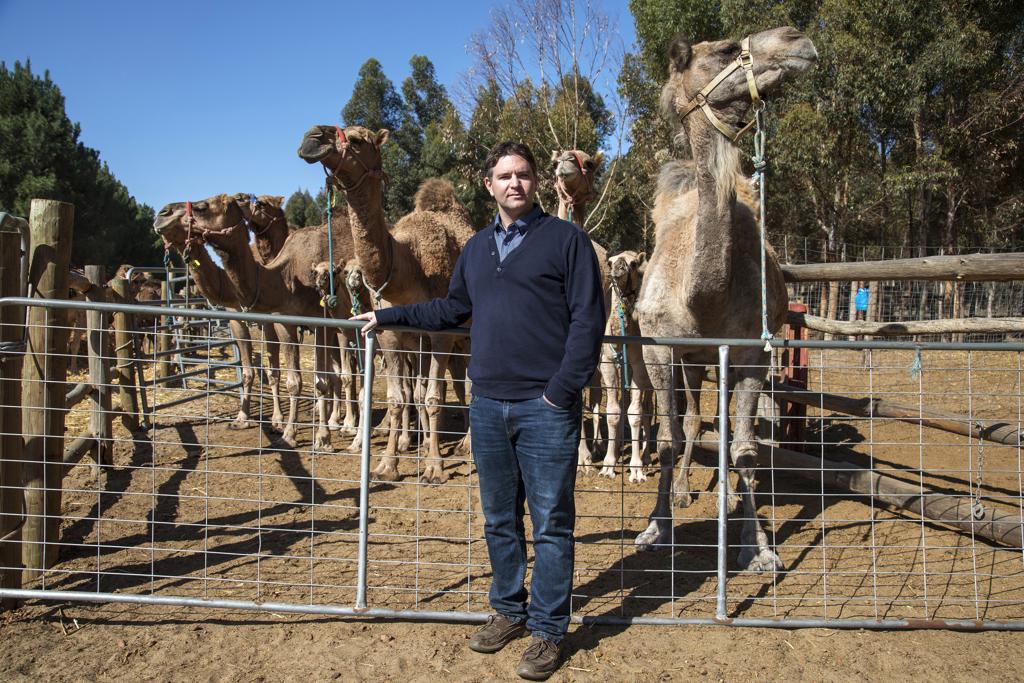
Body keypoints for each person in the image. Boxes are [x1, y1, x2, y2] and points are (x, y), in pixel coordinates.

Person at [352, 141, 606, 680]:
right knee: (498, 519)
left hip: (546, 407)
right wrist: (390, 313)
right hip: (486, 405)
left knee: (553, 523)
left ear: (535, 182)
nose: (514, 183)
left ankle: (546, 631)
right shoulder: (476, 249)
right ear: (488, 185)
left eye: (523, 175)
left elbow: (588, 321)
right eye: (504, 176)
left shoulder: (567, 242)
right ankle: (509, 610)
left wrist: (561, 391)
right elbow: (452, 309)